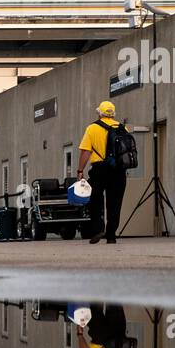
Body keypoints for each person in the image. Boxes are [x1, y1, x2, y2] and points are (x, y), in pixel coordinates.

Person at [75, 99, 127, 244]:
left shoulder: (92, 128)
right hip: (118, 170)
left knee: (94, 199)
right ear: (113, 114)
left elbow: (86, 152)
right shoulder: (122, 128)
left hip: (99, 169)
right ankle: (111, 235)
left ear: (99, 113)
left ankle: (98, 228)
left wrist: (80, 170)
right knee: (115, 203)